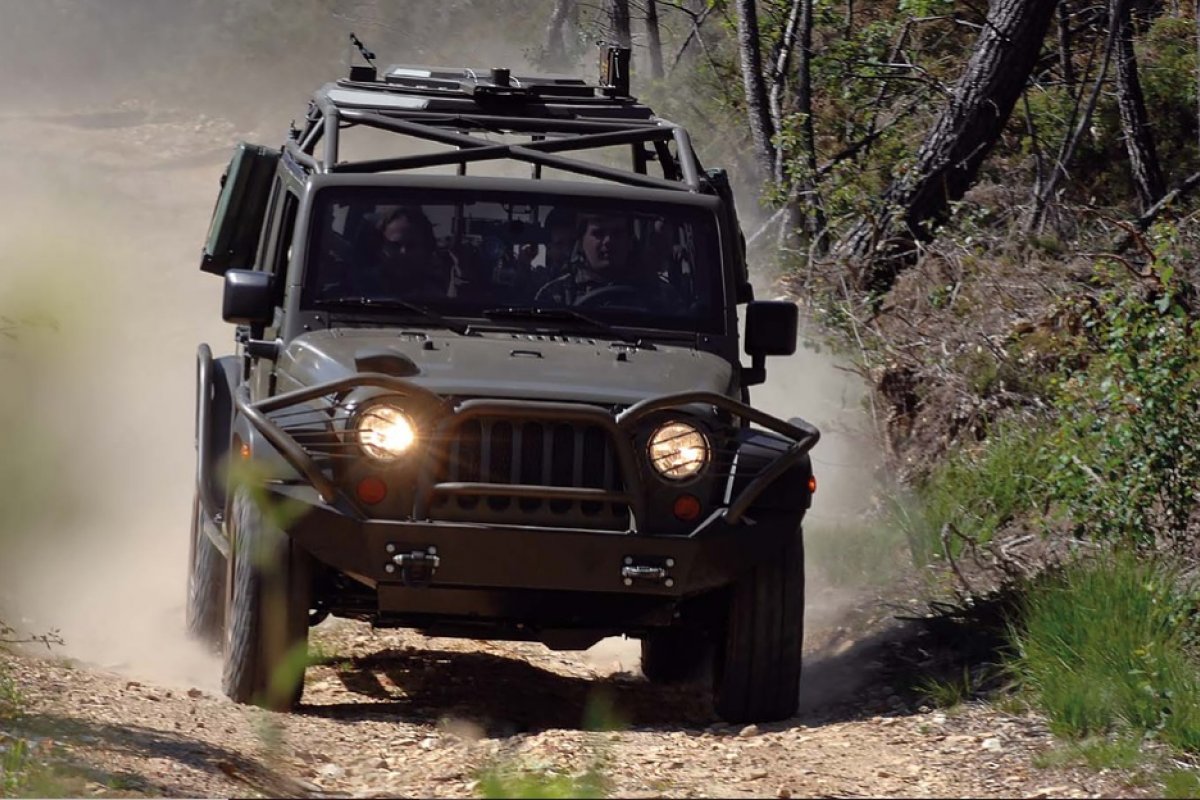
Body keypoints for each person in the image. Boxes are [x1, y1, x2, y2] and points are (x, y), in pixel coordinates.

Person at [533, 212, 682, 309]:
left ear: (630, 241)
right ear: (581, 242)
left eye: (617, 233)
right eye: (598, 233)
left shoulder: (661, 294)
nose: (608, 241)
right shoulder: (557, 293)